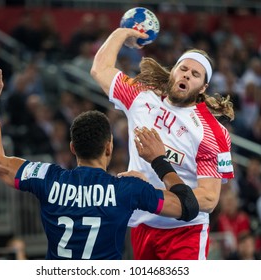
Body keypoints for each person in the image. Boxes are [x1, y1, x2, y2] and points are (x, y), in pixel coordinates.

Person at [0, 55, 197, 260]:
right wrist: (159, 160)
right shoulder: (128, 189)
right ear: (109, 147)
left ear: (72, 148)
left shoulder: (49, 178)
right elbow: (187, 207)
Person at [91, 27, 235, 259]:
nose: (187, 75)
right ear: (173, 72)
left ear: (203, 88)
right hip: (140, 224)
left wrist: (147, 192)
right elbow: (100, 69)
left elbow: (209, 199)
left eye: (195, 75)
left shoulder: (213, 132)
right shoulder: (141, 96)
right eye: (183, 68)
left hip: (185, 230)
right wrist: (122, 32)